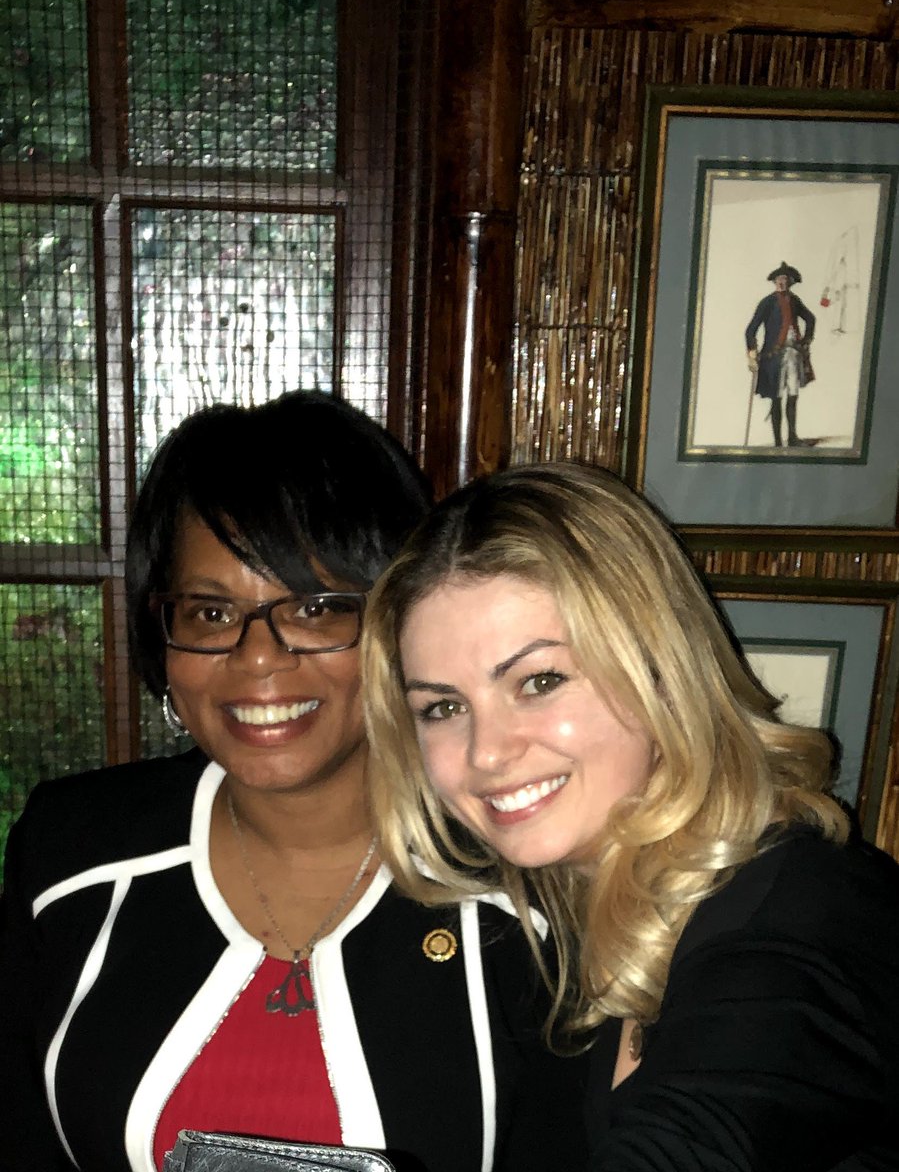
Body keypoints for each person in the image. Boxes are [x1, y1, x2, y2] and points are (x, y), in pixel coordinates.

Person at [0, 393, 590, 1172]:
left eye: (314, 607)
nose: (256, 658)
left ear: (399, 622)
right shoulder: (71, 852)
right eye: (210, 614)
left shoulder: (532, 886)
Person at [362, 461, 899, 1172]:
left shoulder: (800, 914)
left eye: (540, 681)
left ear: (660, 669)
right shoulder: (568, 906)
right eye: (443, 707)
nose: (485, 753)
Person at [745, 260, 816, 447]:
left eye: (785, 279)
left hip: (794, 355)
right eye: (779, 279)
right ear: (775, 281)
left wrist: (806, 340)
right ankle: (777, 443)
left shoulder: (795, 300)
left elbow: (810, 319)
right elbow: (750, 330)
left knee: (793, 395)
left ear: (790, 282)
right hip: (774, 357)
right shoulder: (767, 302)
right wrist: (751, 353)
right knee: (776, 398)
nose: (782, 282)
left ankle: (792, 438)